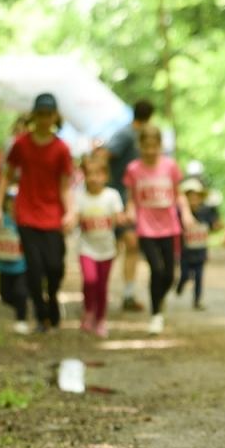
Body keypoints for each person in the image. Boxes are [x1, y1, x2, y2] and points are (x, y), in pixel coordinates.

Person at [0, 93, 74, 333]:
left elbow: (65, 185)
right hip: (26, 214)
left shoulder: (61, 149)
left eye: (49, 115)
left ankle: (53, 299)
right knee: (34, 268)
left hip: (52, 215)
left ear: (54, 116)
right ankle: (41, 315)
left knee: (54, 267)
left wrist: (70, 212)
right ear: (34, 116)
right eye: (41, 114)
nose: (45, 119)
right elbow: (6, 175)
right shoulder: (21, 144)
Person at [124, 123, 188, 335]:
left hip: (169, 227)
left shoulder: (170, 166)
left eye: (155, 146)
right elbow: (131, 198)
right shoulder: (134, 169)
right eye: (146, 147)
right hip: (146, 228)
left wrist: (186, 213)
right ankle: (155, 315)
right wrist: (131, 212)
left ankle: (159, 302)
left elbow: (178, 194)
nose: (150, 151)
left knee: (169, 274)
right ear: (140, 146)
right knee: (156, 270)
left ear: (160, 145)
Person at [107, 100, 154, 313]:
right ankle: (101, 290)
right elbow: (105, 154)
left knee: (132, 244)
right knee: (112, 247)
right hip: (115, 199)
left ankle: (127, 293)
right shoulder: (126, 135)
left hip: (130, 201)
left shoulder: (139, 137)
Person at [75, 148, 126, 338]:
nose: (94, 178)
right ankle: (89, 311)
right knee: (90, 280)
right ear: (84, 176)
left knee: (102, 285)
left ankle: (101, 319)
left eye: (98, 174)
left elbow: (118, 216)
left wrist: (124, 218)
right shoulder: (79, 197)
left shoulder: (111, 196)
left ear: (105, 175)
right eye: (90, 174)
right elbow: (75, 217)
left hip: (107, 249)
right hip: (86, 248)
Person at [177, 178, 219, 310]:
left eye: (196, 197)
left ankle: (197, 300)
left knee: (199, 277)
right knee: (185, 275)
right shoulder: (180, 214)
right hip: (185, 253)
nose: (193, 201)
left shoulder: (206, 213)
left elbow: (214, 226)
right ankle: (180, 285)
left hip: (200, 252)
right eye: (190, 198)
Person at [0, 193, 30, 335]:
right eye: (10, 202)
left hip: (21, 266)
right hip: (4, 265)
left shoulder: (25, 221)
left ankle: (21, 319)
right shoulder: (0, 220)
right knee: (5, 295)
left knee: (21, 293)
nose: (13, 205)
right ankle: (22, 307)